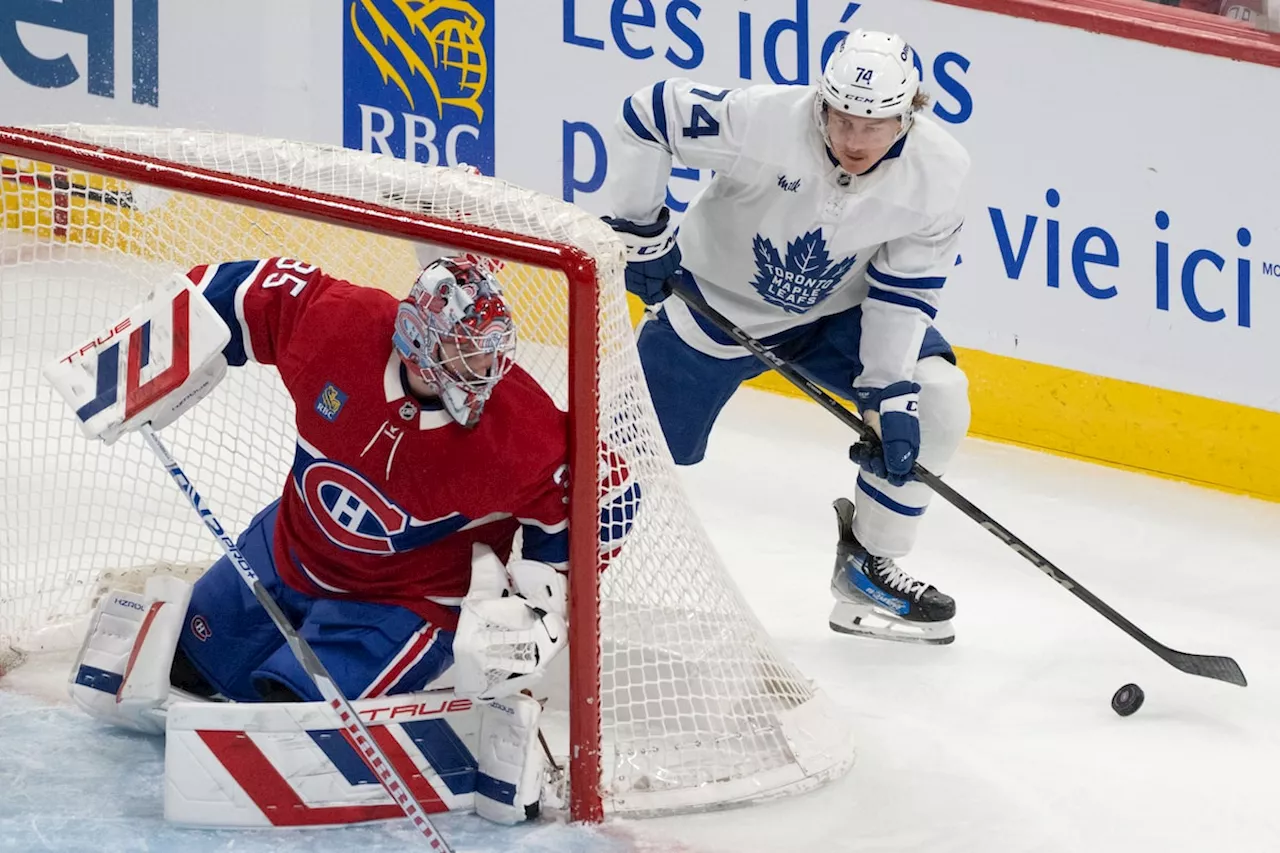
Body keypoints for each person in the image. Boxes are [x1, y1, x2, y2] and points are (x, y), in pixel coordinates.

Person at [66, 254, 629, 822]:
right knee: (187, 672)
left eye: (490, 348)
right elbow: (232, 293)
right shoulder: (340, 325)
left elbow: (611, 493)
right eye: (465, 348)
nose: (484, 366)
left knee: (290, 725)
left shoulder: (517, 427)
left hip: (397, 605)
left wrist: (541, 596)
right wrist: (136, 361)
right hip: (285, 551)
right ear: (415, 337)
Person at [603, 29, 971, 645]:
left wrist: (887, 392)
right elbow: (649, 113)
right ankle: (550, 578)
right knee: (619, 457)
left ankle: (868, 568)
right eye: (842, 118)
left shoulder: (940, 174)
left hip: (831, 317)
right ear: (821, 103)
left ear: (911, 115)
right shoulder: (765, 122)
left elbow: (903, 294)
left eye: (874, 125)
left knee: (934, 399)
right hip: (709, 311)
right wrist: (640, 228)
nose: (854, 140)